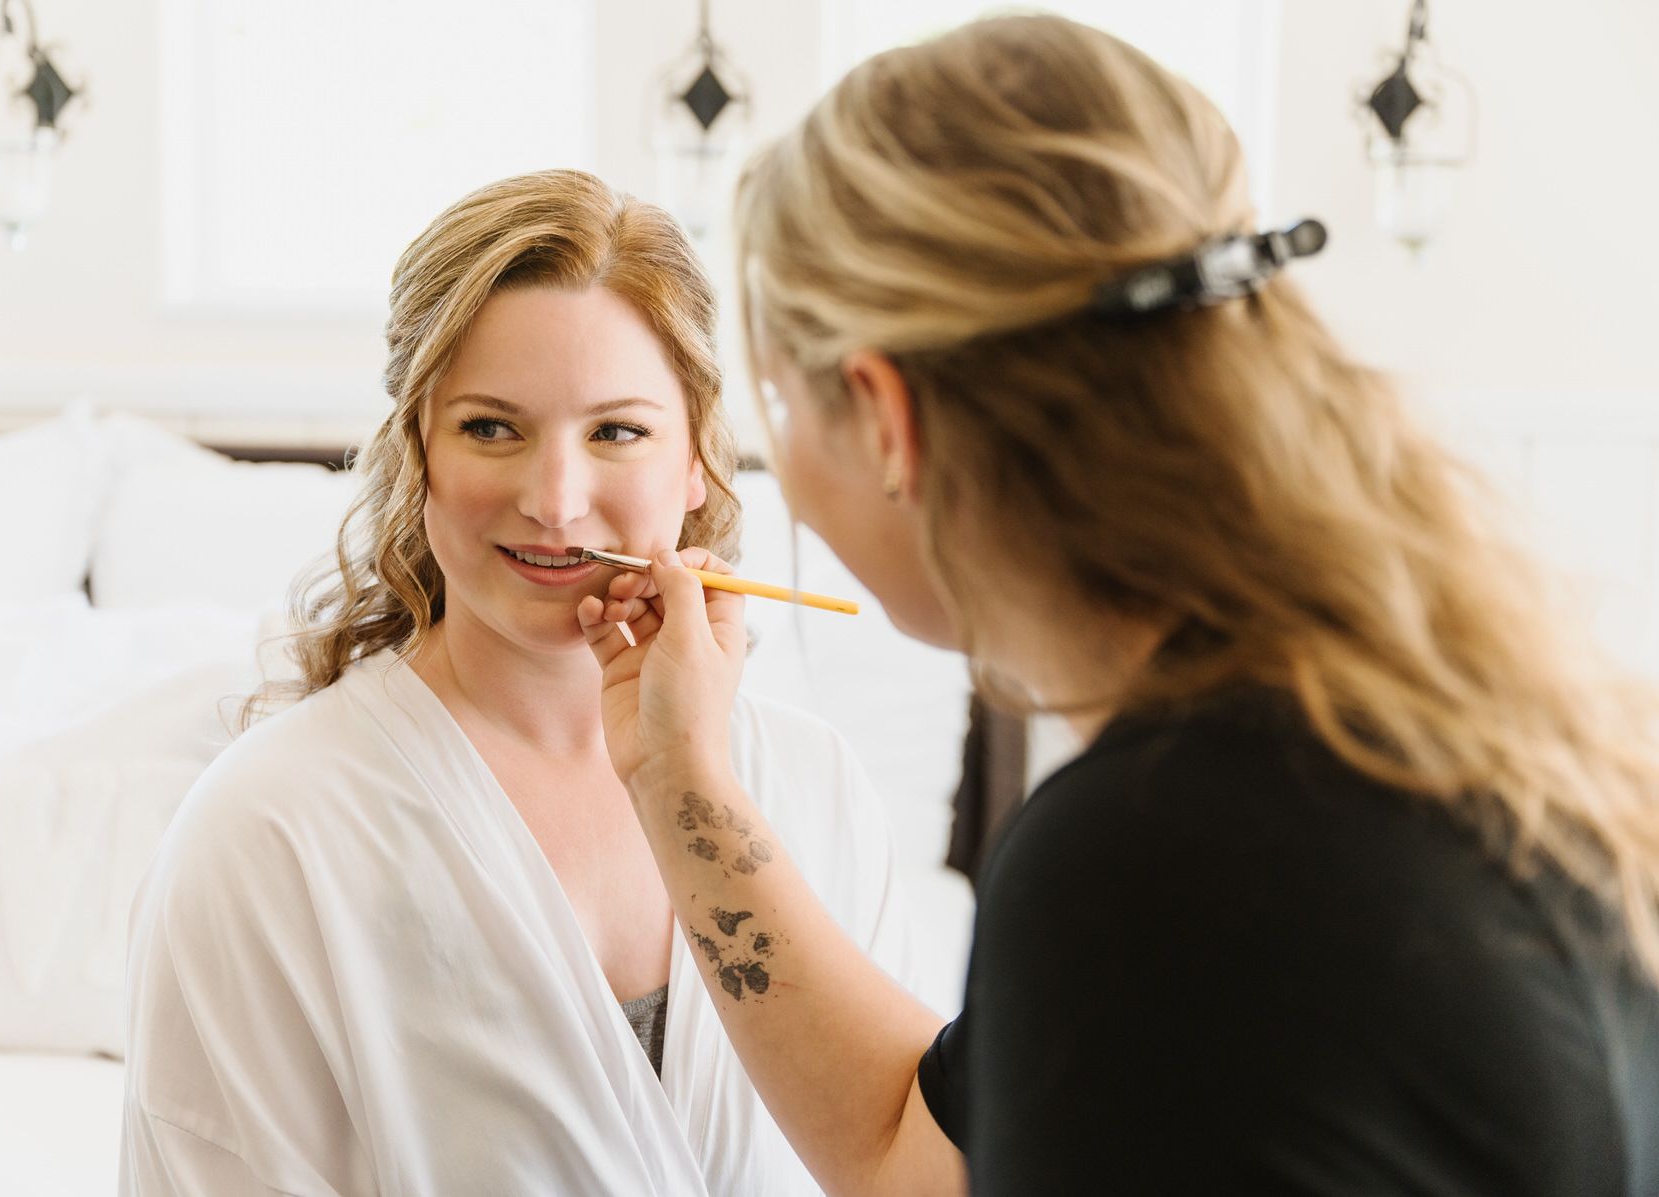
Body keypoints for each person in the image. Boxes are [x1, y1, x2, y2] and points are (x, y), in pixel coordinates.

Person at [577, 14, 1659, 1196]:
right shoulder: (1433, 718)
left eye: (780, 407)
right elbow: (911, 1152)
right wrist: (679, 775)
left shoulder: (1150, 862)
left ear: (885, 416)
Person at [118, 170, 915, 1196]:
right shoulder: (269, 832)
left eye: (616, 432)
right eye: (492, 428)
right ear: (418, 451)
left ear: (694, 461)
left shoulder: (823, 793)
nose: (554, 501)